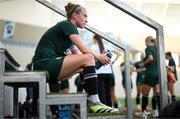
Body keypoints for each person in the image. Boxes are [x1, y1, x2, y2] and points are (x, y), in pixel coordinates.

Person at [31, 2, 119, 115]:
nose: (87, 20)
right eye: (85, 15)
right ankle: (94, 102)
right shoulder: (67, 25)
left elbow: (81, 59)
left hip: (49, 66)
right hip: (43, 64)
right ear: (74, 15)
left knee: (85, 63)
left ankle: (92, 100)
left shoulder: (68, 34)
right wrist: (98, 56)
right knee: (87, 57)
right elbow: (84, 51)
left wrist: (99, 61)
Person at [91, 34, 121, 107]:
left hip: (99, 72)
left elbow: (92, 58)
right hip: (108, 72)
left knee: (101, 93)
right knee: (108, 92)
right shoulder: (107, 46)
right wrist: (113, 62)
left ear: (95, 40)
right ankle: (110, 108)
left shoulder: (93, 47)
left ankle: (104, 109)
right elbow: (119, 53)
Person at [140, 36, 160, 118]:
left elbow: (150, 58)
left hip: (150, 73)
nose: (145, 44)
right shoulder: (157, 48)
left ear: (148, 41)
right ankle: (156, 111)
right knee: (157, 94)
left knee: (145, 94)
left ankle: (144, 112)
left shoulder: (148, 48)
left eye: (145, 42)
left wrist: (143, 64)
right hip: (158, 73)